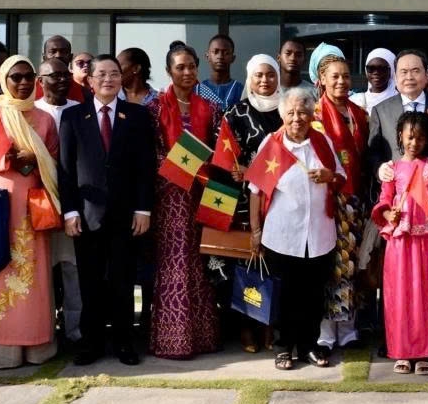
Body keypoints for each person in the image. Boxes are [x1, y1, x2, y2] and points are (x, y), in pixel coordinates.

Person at [59, 55, 157, 366]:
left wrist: (144, 208)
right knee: (90, 283)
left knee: (123, 282)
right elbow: (65, 170)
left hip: (126, 215)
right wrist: (70, 212)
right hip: (86, 216)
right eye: (101, 74)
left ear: (122, 79)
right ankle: (92, 342)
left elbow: (145, 167)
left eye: (114, 73)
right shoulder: (73, 117)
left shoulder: (137, 115)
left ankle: (124, 342)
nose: (108, 79)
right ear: (89, 81)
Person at [0, 56, 59, 368]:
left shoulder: (45, 118)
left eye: (28, 77)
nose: (22, 83)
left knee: (33, 274)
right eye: (15, 77)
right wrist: (6, 160)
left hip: (33, 205)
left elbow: (56, 161)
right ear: (4, 80)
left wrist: (34, 157)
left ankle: (35, 348)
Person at [248, 88, 344, 370]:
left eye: (302, 112)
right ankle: (282, 347)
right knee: (285, 295)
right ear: (282, 116)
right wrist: (255, 232)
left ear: (312, 114)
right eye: (290, 113)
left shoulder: (322, 141)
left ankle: (309, 347)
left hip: (318, 233)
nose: (296, 118)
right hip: (283, 235)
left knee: (313, 295)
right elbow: (255, 190)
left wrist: (329, 176)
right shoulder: (273, 143)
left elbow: (341, 176)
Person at [147, 43, 220, 360]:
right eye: (180, 67)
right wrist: (185, 168)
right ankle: (171, 339)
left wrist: (209, 169)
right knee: (174, 263)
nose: (188, 72)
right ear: (169, 71)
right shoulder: (155, 108)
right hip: (170, 197)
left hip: (203, 196)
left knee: (200, 263)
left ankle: (202, 337)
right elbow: (151, 154)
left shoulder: (211, 107)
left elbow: (220, 149)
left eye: (192, 66)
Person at [372, 111, 428, 376]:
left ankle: (425, 352)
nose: (414, 143)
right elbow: (383, 202)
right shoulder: (391, 170)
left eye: (419, 138)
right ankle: (402, 352)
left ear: (426, 139)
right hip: (400, 243)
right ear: (400, 136)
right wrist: (388, 214)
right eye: (409, 137)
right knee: (400, 296)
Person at [223, 54, 284, 352]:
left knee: (276, 265)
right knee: (247, 264)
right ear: (250, 78)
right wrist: (241, 172)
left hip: (282, 202)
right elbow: (226, 159)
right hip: (246, 203)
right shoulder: (236, 112)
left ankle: (271, 327)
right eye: (258, 75)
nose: (264, 80)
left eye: (270, 74)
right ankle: (247, 328)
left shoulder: (289, 110)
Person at [311, 52, 369, 352]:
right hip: (326, 201)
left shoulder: (359, 113)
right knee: (327, 265)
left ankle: (347, 329)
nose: (341, 81)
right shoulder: (315, 114)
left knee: (349, 266)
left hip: (355, 201)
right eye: (334, 76)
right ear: (321, 80)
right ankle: (325, 332)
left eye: (346, 75)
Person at [34, 58, 82, 348]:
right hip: (36, 203)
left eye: (66, 75)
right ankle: (43, 330)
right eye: (55, 75)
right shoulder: (30, 112)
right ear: (41, 80)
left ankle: (75, 331)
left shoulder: (80, 112)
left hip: (73, 203)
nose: (62, 80)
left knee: (72, 269)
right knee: (40, 271)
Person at [369, 50, 428, 173]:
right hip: (396, 186)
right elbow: (373, 153)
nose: (409, 77)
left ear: (427, 74)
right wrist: (379, 168)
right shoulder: (380, 111)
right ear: (395, 76)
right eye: (403, 72)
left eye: (415, 71)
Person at [197, 35, 243, 112]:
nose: (220, 56)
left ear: (233, 58)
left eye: (226, 53)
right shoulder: (197, 90)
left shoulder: (240, 90)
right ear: (207, 56)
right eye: (215, 52)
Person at [34, 36, 85, 103]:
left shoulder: (83, 93)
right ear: (44, 57)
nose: (58, 55)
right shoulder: (29, 90)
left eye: (63, 51)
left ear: (70, 57)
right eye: (53, 52)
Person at [350, 48, 397, 114]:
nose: (376, 73)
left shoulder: (403, 101)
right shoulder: (355, 101)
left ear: (392, 71)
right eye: (371, 68)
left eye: (381, 69)